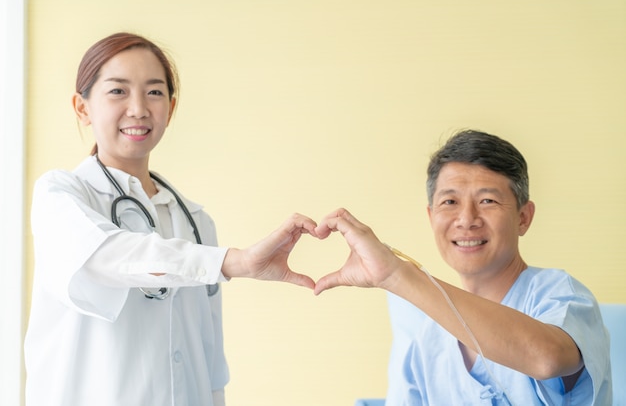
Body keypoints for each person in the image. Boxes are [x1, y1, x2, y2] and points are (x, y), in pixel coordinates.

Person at [24, 32, 319, 406]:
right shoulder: (61, 195)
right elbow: (102, 256)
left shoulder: (195, 220)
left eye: (154, 92)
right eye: (118, 91)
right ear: (82, 108)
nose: (138, 108)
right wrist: (234, 261)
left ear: (171, 107)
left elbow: (210, 358)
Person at [313, 130, 612, 405]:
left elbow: (547, 359)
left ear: (523, 217)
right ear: (431, 217)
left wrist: (395, 274)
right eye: (450, 202)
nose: (467, 219)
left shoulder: (561, 296)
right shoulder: (426, 343)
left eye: (488, 200)